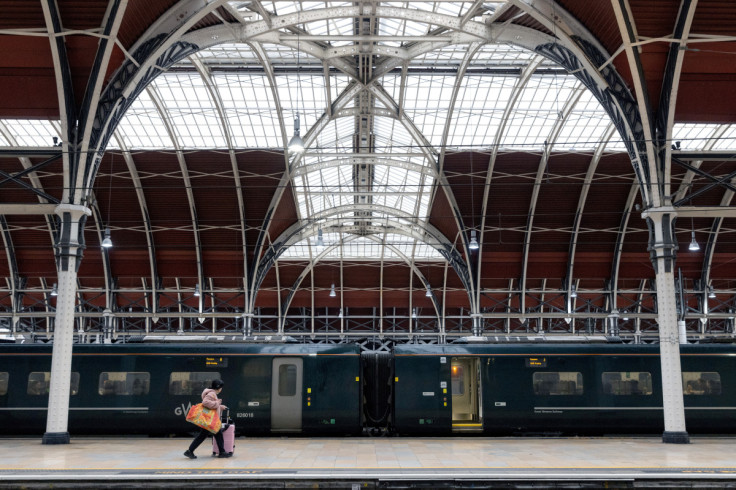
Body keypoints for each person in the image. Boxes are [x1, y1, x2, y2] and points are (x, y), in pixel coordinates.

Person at [184, 379, 232, 459]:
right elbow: (205, 403)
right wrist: (217, 403)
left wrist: (221, 407)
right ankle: (222, 452)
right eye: (221, 387)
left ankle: (190, 451)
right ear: (218, 387)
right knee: (215, 434)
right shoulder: (212, 393)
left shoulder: (211, 393)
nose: (221, 389)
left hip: (209, 419)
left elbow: (211, 406)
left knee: (207, 435)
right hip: (210, 420)